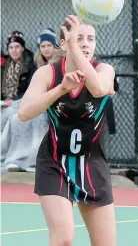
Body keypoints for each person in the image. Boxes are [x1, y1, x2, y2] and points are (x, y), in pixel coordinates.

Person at [18, 15, 116, 246]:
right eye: (78, 38)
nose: (85, 44)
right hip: (54, 163)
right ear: (63, 44)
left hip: (92, 164)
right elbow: (24, 112)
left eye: (90, 39)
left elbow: (99, 88)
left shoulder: (104, 70)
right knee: (63, 238)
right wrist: (61, 89)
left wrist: (75, 48)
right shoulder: (48, 74)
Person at [0, 31, 47, 172]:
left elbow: (30, 91)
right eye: (11, 47)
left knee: (9, 116)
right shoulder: (3, 67)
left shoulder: (31, 65)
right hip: (4, 103)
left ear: (23, 48)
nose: (14, 51)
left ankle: (10, 158)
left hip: (21, 103)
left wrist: (12, 102)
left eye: (17, 47)